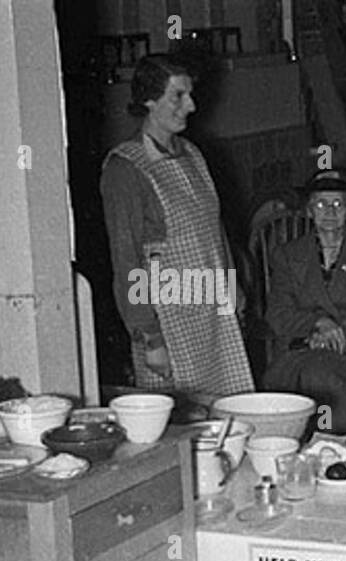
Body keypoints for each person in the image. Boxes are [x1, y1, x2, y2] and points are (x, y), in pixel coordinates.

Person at [101, 54, 253, 398]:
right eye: (178, 96)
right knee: (183, 425)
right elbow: (126, 262)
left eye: (191, 95)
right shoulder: (125, 168)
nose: (191, 105)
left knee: (230, 413)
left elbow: (216, 236)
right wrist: (149, 337)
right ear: (148, 100)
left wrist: (235, 297)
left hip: (215, 312)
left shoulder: (193, 154)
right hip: (170, 322)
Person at [261, 172, 346, 433]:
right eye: (321, 204)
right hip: (299, 347)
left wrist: (337, 334)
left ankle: (334, 447)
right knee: (300, 375)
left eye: (338, 204)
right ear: (309, 211)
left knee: (321, 374)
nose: (329, 211)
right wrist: (318, 324)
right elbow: (278, 312)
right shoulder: (287, 254)